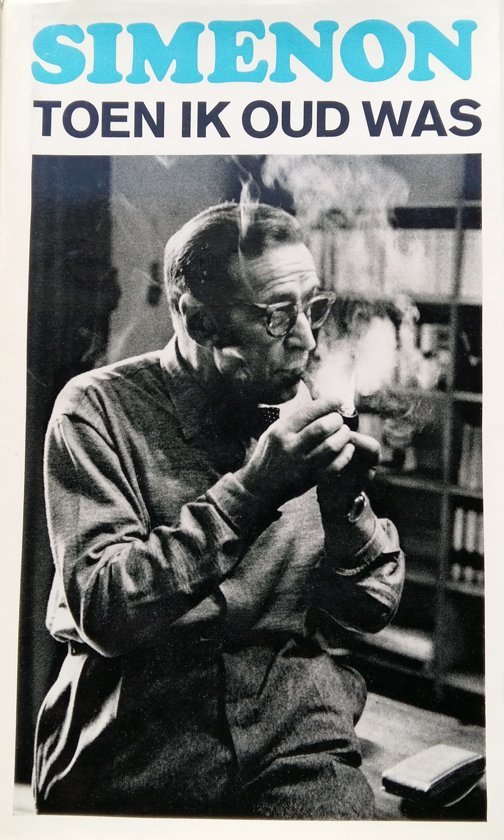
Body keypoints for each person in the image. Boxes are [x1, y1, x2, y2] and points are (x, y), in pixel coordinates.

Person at [33, 201, 404, 819]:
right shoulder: (94, 410)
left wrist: (346, 510)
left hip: (293, 737)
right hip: (139, 743)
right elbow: (105, 611)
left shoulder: (304, 407)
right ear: (199, 321)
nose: (307, 340)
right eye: (276, 316)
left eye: (312, 308)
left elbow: (370, 610)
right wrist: (253, 492)